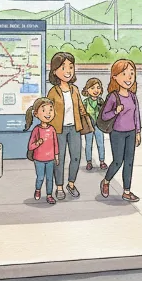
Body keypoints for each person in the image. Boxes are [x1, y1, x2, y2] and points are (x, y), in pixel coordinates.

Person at [47, 52, 89, 200]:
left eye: (70, 67)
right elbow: (48, 110)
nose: (68, 71)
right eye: (63, 67)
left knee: (76, 157)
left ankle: (71, 184)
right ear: (55, 71)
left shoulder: (75, 89)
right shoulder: (53, 92)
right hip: (58, 130)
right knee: (59, 159)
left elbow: (81, 108)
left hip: (74, 129)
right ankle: (59, 187)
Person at [100, 59, 142, 202]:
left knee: (129, 162)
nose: (129, 77)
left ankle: (127, 191)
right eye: (124, 74)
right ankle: (106, 181)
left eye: (132, 73)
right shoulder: (113, 96)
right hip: (117, 133)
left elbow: (136, 115)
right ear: (115, 77)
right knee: (118, 161)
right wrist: (115, 112)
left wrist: (138, 132)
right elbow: (104, 115)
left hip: (131, 132)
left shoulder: (133, 96)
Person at [25, 97, 58, 205]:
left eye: (50, 110)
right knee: (40, 177)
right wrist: (38, 143)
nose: (48, 113)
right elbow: (30, 146)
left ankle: (49, 195)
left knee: (50, 178)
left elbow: (55, 143)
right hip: (39, 159)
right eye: (44, 110)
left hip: (50, 159)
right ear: (36, 114)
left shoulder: (52, 129)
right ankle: (38, 190)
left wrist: (56, 155)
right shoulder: (36, 130)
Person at [82, 78, 107, 172]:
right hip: (89, 126)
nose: (96, 90)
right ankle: (89, 161)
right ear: (87, 89)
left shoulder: (101, 101)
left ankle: (102, 161)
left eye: (98, 87)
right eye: (92, 88)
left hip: (98, 126)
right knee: (88, 144)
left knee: (100, 144)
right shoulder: (85, 102)